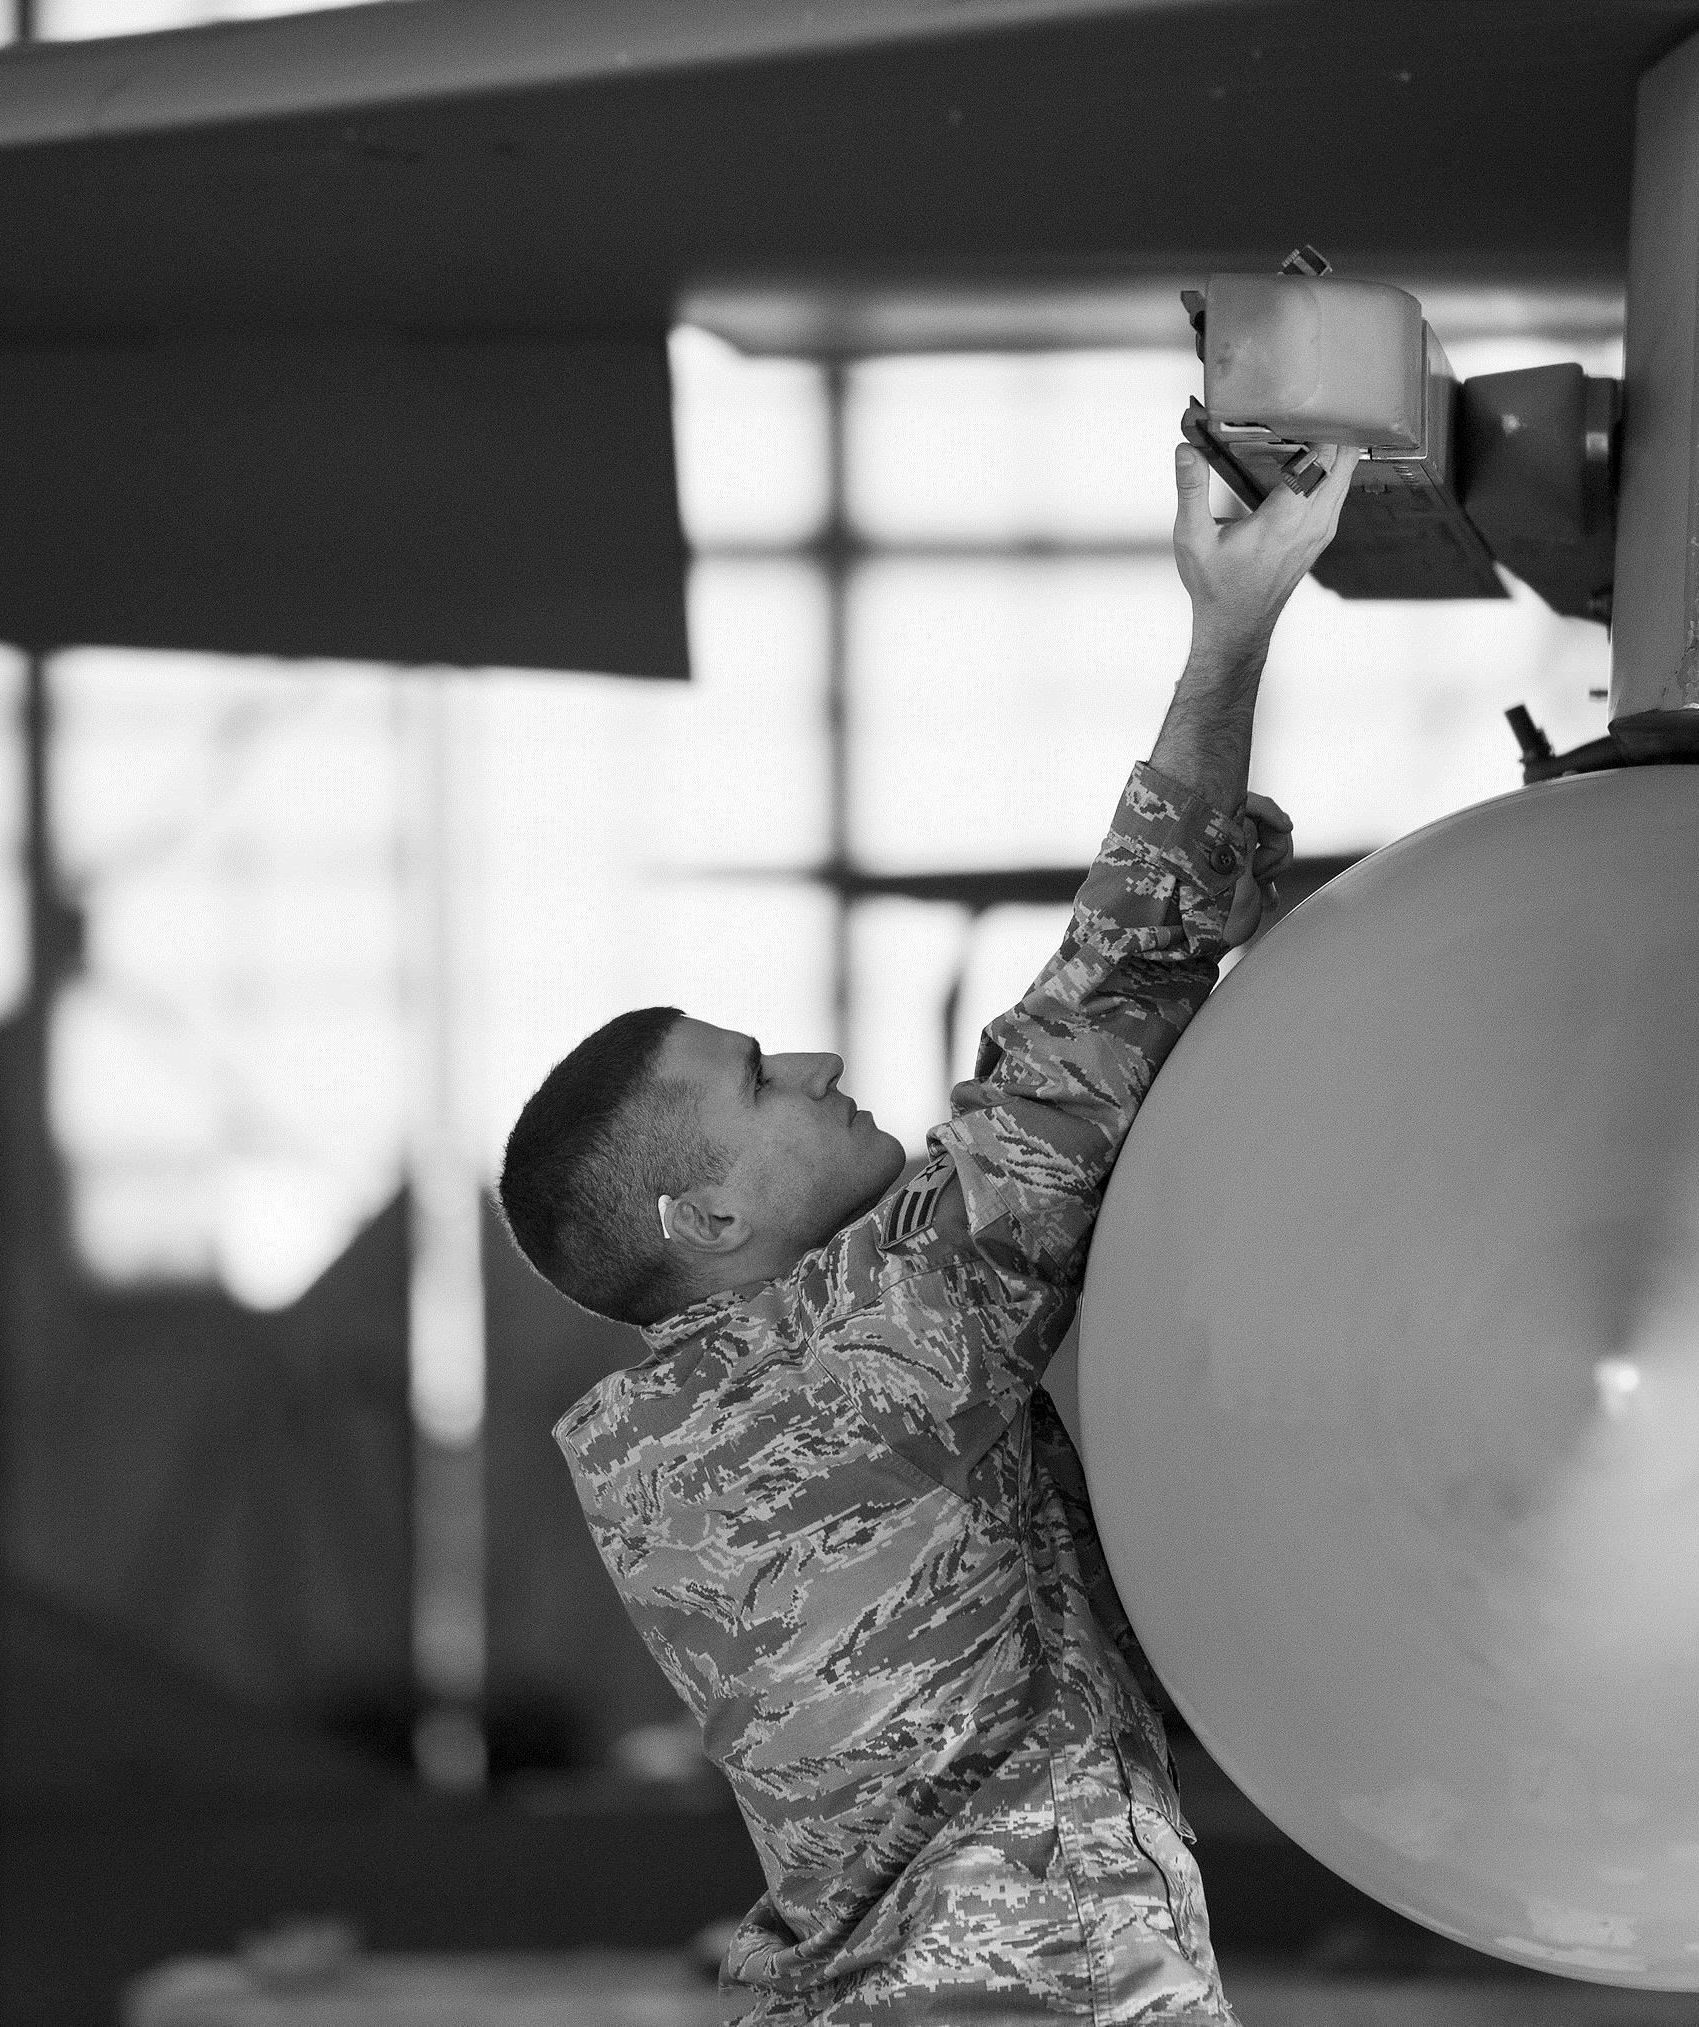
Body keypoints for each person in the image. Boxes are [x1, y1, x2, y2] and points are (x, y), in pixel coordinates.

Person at [495, 437, 1358, 2024]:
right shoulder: (835, 1394)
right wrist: (1229, 633)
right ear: (710, 1213)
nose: (819, 1064)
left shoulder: (724, 1414)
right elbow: (1080, 1051)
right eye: (760, 1080)